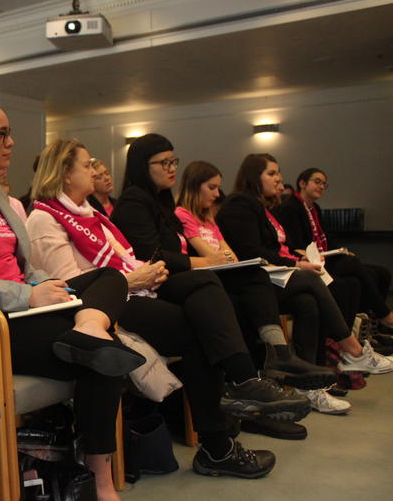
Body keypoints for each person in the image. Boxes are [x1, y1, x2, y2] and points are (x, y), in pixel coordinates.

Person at [0, 84, 148, 501]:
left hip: (32, 306)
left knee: (110, 276)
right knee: (104, 358)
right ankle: (101, 480)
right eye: (0, 134)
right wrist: (30, 294)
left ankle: (89, 325)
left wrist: (43, 285)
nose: (11, 142)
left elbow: (27, 264)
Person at [26, 138, 313, 473]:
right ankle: (222, 435)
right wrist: (133, 280)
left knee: (203, 285)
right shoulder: (44, 220)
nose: (94, 169)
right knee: (200, 326)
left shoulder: (93, 216)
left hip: (130, 291)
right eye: (87, 164)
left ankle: (241, 386)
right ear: (64, 174)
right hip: (100, 308)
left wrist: (148, 273)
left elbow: (126, 261)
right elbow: (71, 288)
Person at [110, 135, 335, 408]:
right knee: (222, 287)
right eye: (164, 162)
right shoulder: (134, 201)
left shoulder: (161, 202)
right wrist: (205, 263)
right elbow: (150, 254)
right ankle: (246, 380)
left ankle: (275, 357)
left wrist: (212, 262)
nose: (172, 168)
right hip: (155, 280)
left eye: (174, 161)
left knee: (256, 278)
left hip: (177, 275)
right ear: (141, 165)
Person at [216, 154, 393, 408]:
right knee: (311, 278)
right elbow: (249, 250)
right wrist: (295, 264)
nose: (278, 178)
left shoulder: (259, 206)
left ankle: (310, 386)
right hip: (253, 281)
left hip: (269, 276)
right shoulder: (240, 204)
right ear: (254, 176)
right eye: (271, 173)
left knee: (307, 301)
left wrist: (294, 261)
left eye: (278, 173)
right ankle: (352, 350)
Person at [274, 167, 393, 331]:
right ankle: (384, 315)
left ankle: (370, 330)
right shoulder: (290, 208)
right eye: (317, 182)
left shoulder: (314, 208)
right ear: (302, 183)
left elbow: (327, 239)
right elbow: (293, 244)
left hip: (322, 256)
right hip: (309, 260)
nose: (321, 186)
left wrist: (341, 251)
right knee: (351, 271)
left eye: (324, 184)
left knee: (380, 273)